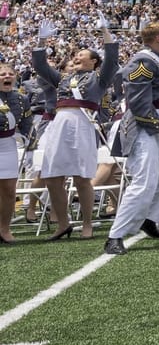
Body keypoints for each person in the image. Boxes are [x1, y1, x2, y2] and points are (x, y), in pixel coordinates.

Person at [31, 18, 119, 240]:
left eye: (82, 55)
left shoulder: (99, 79)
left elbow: (112, 59)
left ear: (94, 62)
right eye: (76, 56)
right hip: (59, 124)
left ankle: (87, 224)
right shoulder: (63, 79)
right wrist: (42, 40)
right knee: (52, 177)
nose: (77, 57)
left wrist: (105, 31)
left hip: (82, 124)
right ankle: (63, 223)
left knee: (81, 177)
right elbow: (40, 66)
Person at [105, 23, 159, 255]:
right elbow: (137, 101)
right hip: (144, 125)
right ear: (158, 38)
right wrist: (158, 127)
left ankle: (150, 218)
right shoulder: (144, 61)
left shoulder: (158, 61)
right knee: (144, 180)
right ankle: (115, 236)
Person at [0, 63, 31, 244]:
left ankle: (4, 229)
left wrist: (29, 144)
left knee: (9, 191)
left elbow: (26, 123)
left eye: (10, 74)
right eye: (3, 74)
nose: (7, 76)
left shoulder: (21, 99)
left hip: (8, 146)